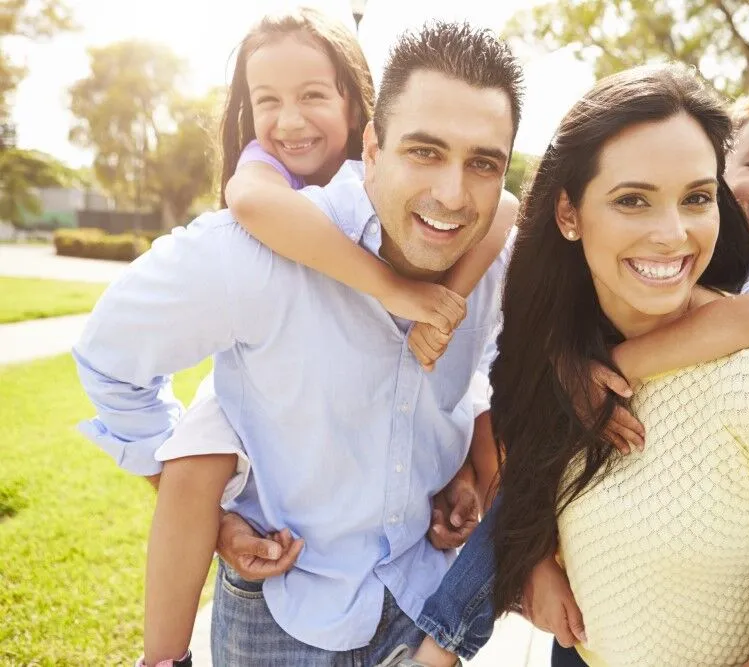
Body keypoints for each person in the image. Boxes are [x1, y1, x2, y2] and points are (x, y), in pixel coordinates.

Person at [73, 20, 523, 666]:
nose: (453, 192)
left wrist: (459, 468)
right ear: (372, 147)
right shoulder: (254, 251)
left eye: (483, 161)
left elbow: (480, 364)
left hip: (425, 603)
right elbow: (106, 359)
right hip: (280, 622)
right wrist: (213, 512)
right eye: (424, 151)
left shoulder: (494, 252)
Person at [394, 89, 749, 667]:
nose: (671, 233)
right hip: (583, 649)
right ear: (569, 215)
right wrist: (539, 560)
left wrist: (619, 368)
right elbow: (520, 457)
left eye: (694, 198)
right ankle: (438, 648)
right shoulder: (573, 336)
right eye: (633, 200)